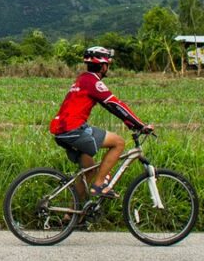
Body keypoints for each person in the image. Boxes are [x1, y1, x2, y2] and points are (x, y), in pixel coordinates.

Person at [50, 46, 152, 199]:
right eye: (108, 65)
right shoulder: (93, 82)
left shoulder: (82, 79)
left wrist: (130, 123)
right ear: (103, 66)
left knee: (89, 170)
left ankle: (71, 216)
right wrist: (140, 125)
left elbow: (110, 106)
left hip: (61, 130)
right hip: (74, 129)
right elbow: (115, 104)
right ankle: (99, 186)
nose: (108, 68)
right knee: (118, 142)